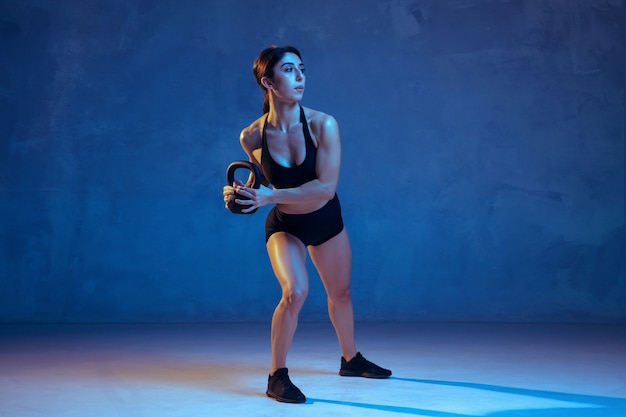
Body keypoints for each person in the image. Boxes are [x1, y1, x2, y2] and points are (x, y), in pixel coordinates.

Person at [223, 45, 391, 404]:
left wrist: (267, 195)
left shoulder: (322, 124)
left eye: (302, 68)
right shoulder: (251, 136)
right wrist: (241, 195)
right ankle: (276, 376)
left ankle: (351, 359)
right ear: (268, 82)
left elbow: (326, 187)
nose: (300, 77)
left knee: (341, 294)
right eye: (289, 70)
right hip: (286, 225)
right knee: (295, 292)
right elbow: (261, 185)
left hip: (326, 220)